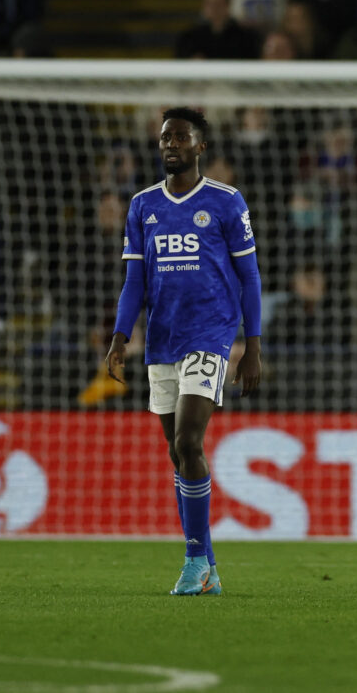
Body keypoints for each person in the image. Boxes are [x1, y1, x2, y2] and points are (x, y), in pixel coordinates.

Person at [106, 107, 262, 596]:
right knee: (177, 454)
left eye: (180, 137)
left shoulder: (226, 202)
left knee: (188, 442)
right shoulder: (142, 205)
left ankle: (194, 561)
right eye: (164, 138)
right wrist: (120, 336)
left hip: (209, 335)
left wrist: (251, 345)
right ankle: (208, 566)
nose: (170, 144)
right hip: (161, 341)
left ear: (201, 147)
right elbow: (135, 280)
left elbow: (249, 277)